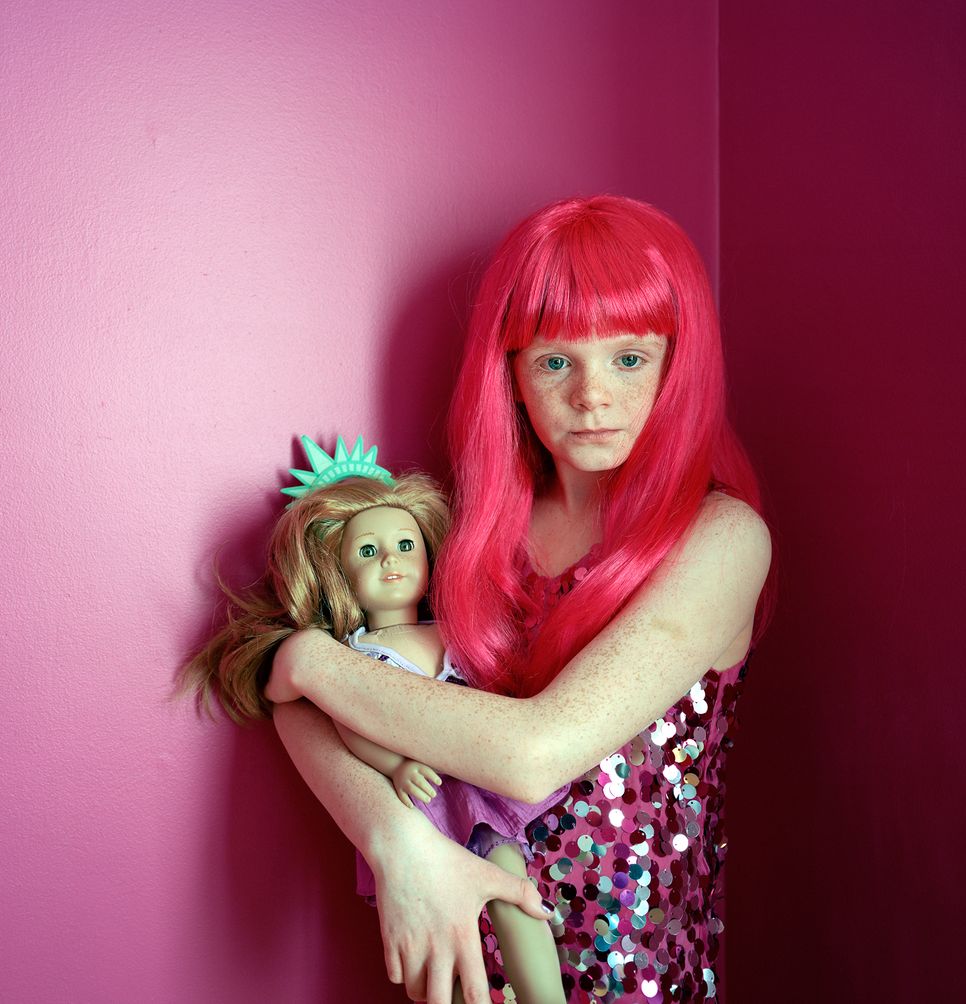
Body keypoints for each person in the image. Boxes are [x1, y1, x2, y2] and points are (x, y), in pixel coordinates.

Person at [267, 195, 773, 1003]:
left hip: (634, 976)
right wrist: (393, 836)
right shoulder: (468, 534)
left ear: (678, 365)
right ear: (510, 374)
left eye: (630, 359)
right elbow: (293, 704)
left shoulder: (721, 539)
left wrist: (307, 660)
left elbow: (530, 756)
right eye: (555, 361)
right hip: (468, 965)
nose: (592, 396)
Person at [180, 444, 568, 1002]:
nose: (392, 560)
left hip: (474, 783)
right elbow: (350, 723)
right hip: (418, 798)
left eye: (406, 545)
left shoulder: (454, 630)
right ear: (338, 574)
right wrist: (398, 763)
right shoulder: (358, 655)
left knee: (512, 887)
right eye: (369, 551)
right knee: (438, 931)